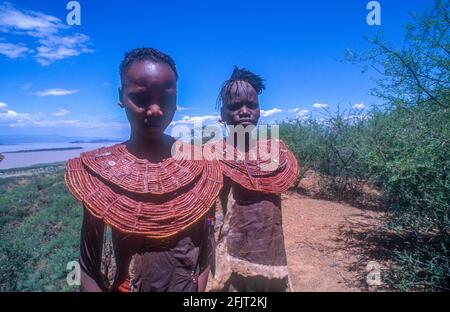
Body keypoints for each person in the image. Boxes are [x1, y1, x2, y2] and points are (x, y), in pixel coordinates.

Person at [64, 48, 223, 292]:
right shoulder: (100, 176)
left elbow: (206, 240)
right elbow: (88, 266)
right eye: (141, 98)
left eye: (166, 98)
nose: (156, 109)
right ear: (121, 96)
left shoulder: (202, 167)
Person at [211, 66, 298, 292]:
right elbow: (209, 216)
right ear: (222, 115)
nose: (244, 111)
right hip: (232, 260)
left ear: (259, 110)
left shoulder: (274, 154)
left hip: (273, 254)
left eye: (252, 105)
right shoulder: (213, 157)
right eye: (235, 106)